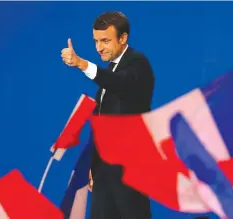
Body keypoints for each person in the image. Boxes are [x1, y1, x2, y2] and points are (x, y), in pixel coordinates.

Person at [61, 11, 154, 219]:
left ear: (123, 38)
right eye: (96, 41)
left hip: (130, 171)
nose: (98, 47)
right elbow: (101, 123)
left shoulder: (138, 64)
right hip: (104, 172)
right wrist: (94, 166)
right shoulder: (111, 70)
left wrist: (82, 64)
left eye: (105, 40)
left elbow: (120, 84)